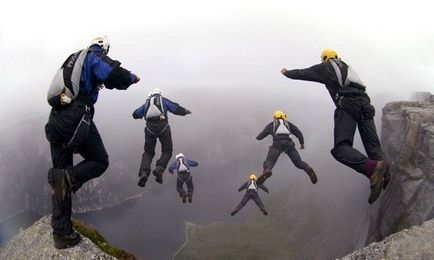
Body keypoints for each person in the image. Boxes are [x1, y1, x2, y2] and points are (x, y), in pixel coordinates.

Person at [45, 36, 140, 249]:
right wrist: (131, 78)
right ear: (104, 47)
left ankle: (61, 234)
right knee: (99, 160)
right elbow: (112, 73)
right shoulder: (93, 56)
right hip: (75, 116)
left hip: (55, 119)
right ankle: (67, 178)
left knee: (61, 172)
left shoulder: (72, 60)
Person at [280, 48, 389, 204]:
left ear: (324, 58)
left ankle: (372, 169)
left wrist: (286, 72)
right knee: (374, 147)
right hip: (366, 103)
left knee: (341, 148)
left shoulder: (326, 66)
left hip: (348, 104)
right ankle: (385, 180)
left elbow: (303, 73)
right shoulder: (347, 67)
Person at [133, 89, 191, 187]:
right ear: (159, 94)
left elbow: (135, 114)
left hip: (150, 129)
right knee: (167, 150)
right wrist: (185, 111)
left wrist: (142, 114)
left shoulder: (146, 104)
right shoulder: (163, 100)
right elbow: (175, 108)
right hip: (163, 128)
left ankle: (144, 173)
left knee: (148, 152)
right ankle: (159, 168)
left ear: (150, 96)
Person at [256, 110, 317, 186]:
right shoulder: (288, 124)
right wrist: (302, 144)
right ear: (283, 117)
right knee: (298, 162)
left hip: (277, 144)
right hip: (289, 144)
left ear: (275, 117)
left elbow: (262, 134)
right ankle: (308, 168)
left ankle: (267, 171)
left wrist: (257, 138)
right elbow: (298, 133)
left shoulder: (272, 125)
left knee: (270, 160)